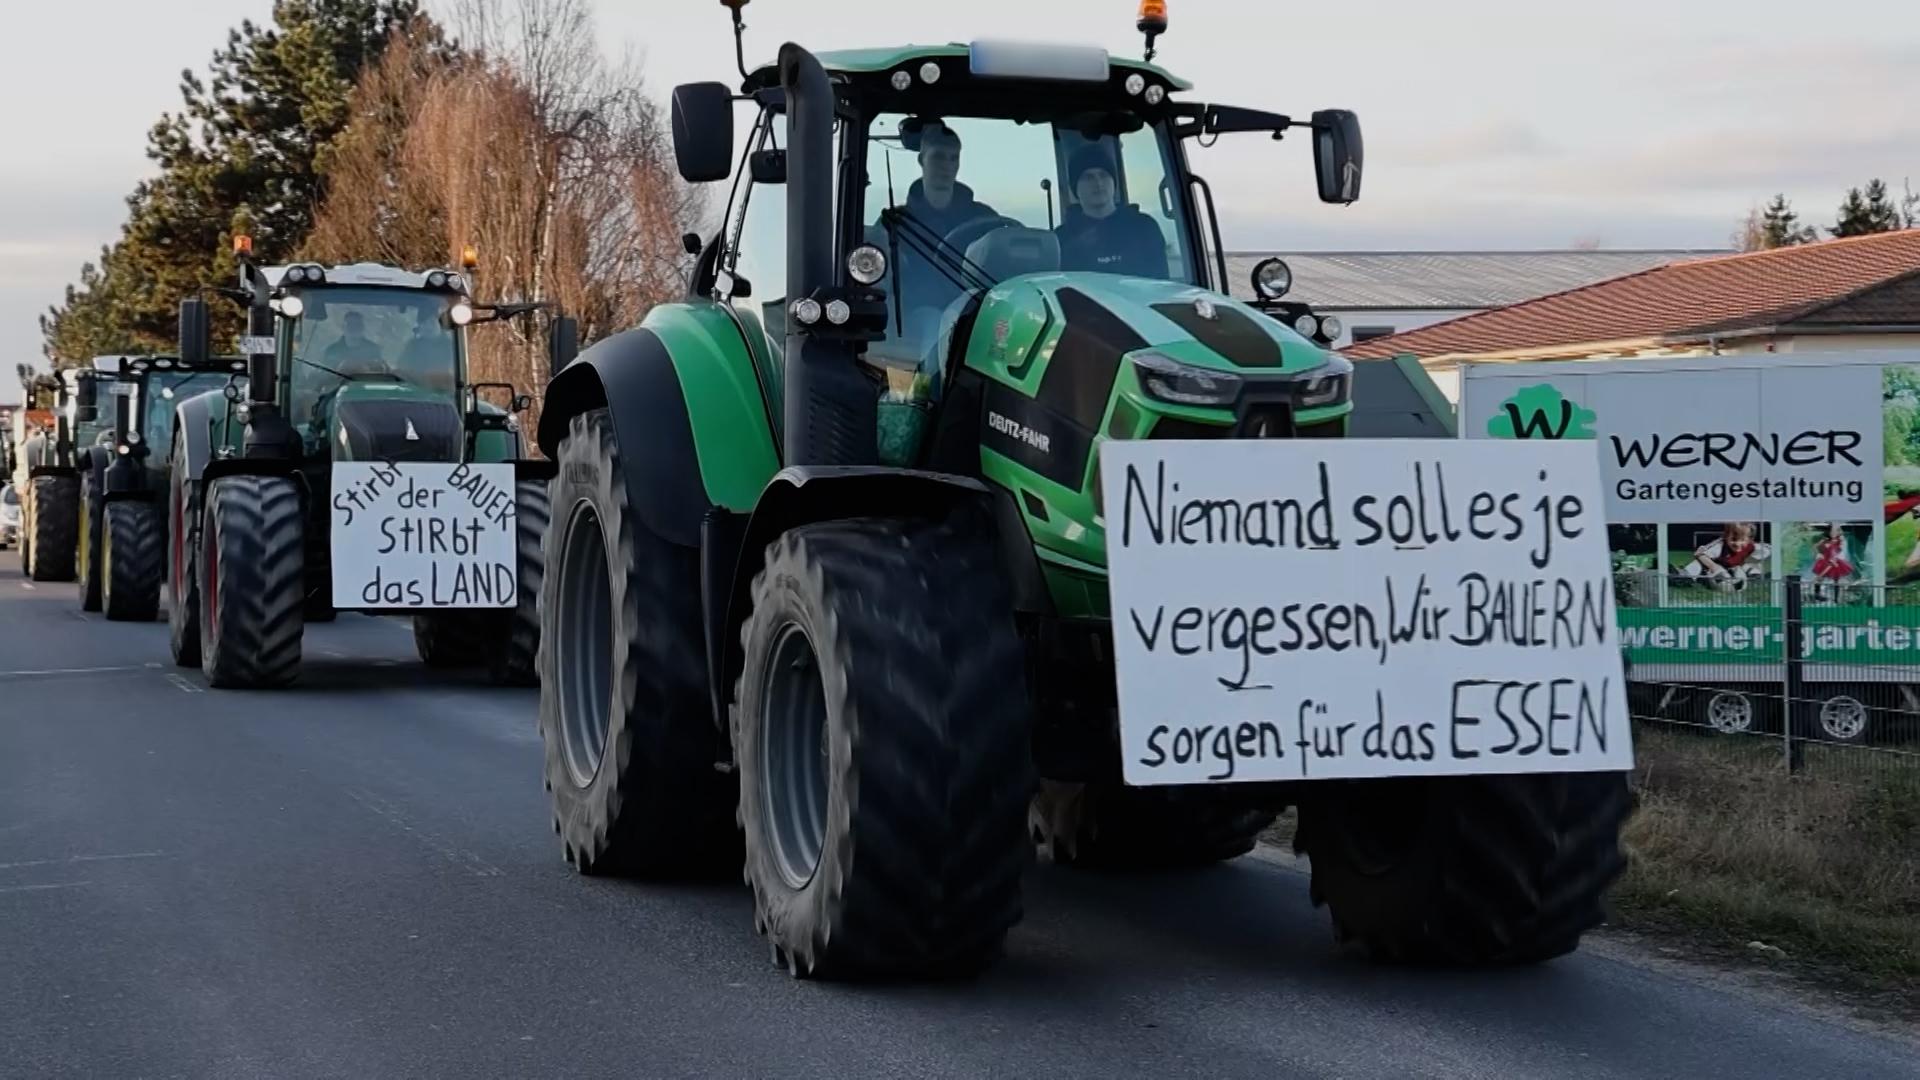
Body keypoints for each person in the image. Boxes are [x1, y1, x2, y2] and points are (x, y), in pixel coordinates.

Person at [1055, 143, 1170, 280]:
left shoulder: (1144, 227)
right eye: (1088, 177)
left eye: (1103, 175)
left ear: (1114, 182)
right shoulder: (1061, 239)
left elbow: (1160, 284)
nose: (1098, 183)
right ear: (1075, 188)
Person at [1676, 522, 1769, 593]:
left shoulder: (1754, 548)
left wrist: (1748, 564)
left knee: (1751, 566)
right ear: (1726, 536)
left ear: (1750, 540)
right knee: (1696, 565)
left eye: (1742, 540)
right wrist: (1714, 567)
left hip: (1733, 567)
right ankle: (1683, 577)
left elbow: (1767, 552)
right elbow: (1699, 554)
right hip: (1710, 570)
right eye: (1733, 539)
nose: (1737, 544)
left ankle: (1757, 579)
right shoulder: (1720, 546)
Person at [322, 311, 391, 374]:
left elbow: (379, 372)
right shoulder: (332, 351)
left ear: (363, 327)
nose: (354, 328)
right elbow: (325, 375)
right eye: (350, 325)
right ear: (343, 327)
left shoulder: (373, 349)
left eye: (357, 325)